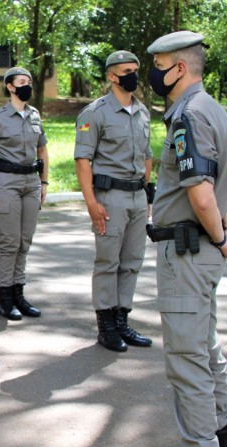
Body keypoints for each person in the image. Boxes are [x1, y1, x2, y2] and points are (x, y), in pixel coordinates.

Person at [141, 30, 227, 447]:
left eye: (159, 64)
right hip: (204, 251)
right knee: (207, 351)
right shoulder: (215, 110)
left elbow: (202, 192)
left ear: (179, 68)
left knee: (188, 361)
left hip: (187, 253)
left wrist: (222, 235)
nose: (153, 74)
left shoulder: (188, 115)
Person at [74, 50, 154, 352]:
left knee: (132, 261)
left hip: (136, 196)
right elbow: (83, 160)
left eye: (135, 69)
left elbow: (147, 155)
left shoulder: (142, 111)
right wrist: (91, 202)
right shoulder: (95, 113)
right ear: (111, 76)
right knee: (109, 261)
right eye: (125, 70)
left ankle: (122, 319)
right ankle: (106, 326)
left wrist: (147, 193)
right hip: (110, 197)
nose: (132, 74)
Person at [0, 67, 49, 320]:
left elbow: (43, 151)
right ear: (10, 87)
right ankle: (5, 298)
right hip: (7, 182)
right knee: (9, 242)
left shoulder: (35, 114)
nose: (28, 86)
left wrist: (44, 182)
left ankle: (19, 294)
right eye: (22, 82)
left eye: (30, 81)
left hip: (31, 182)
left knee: (25, 242)